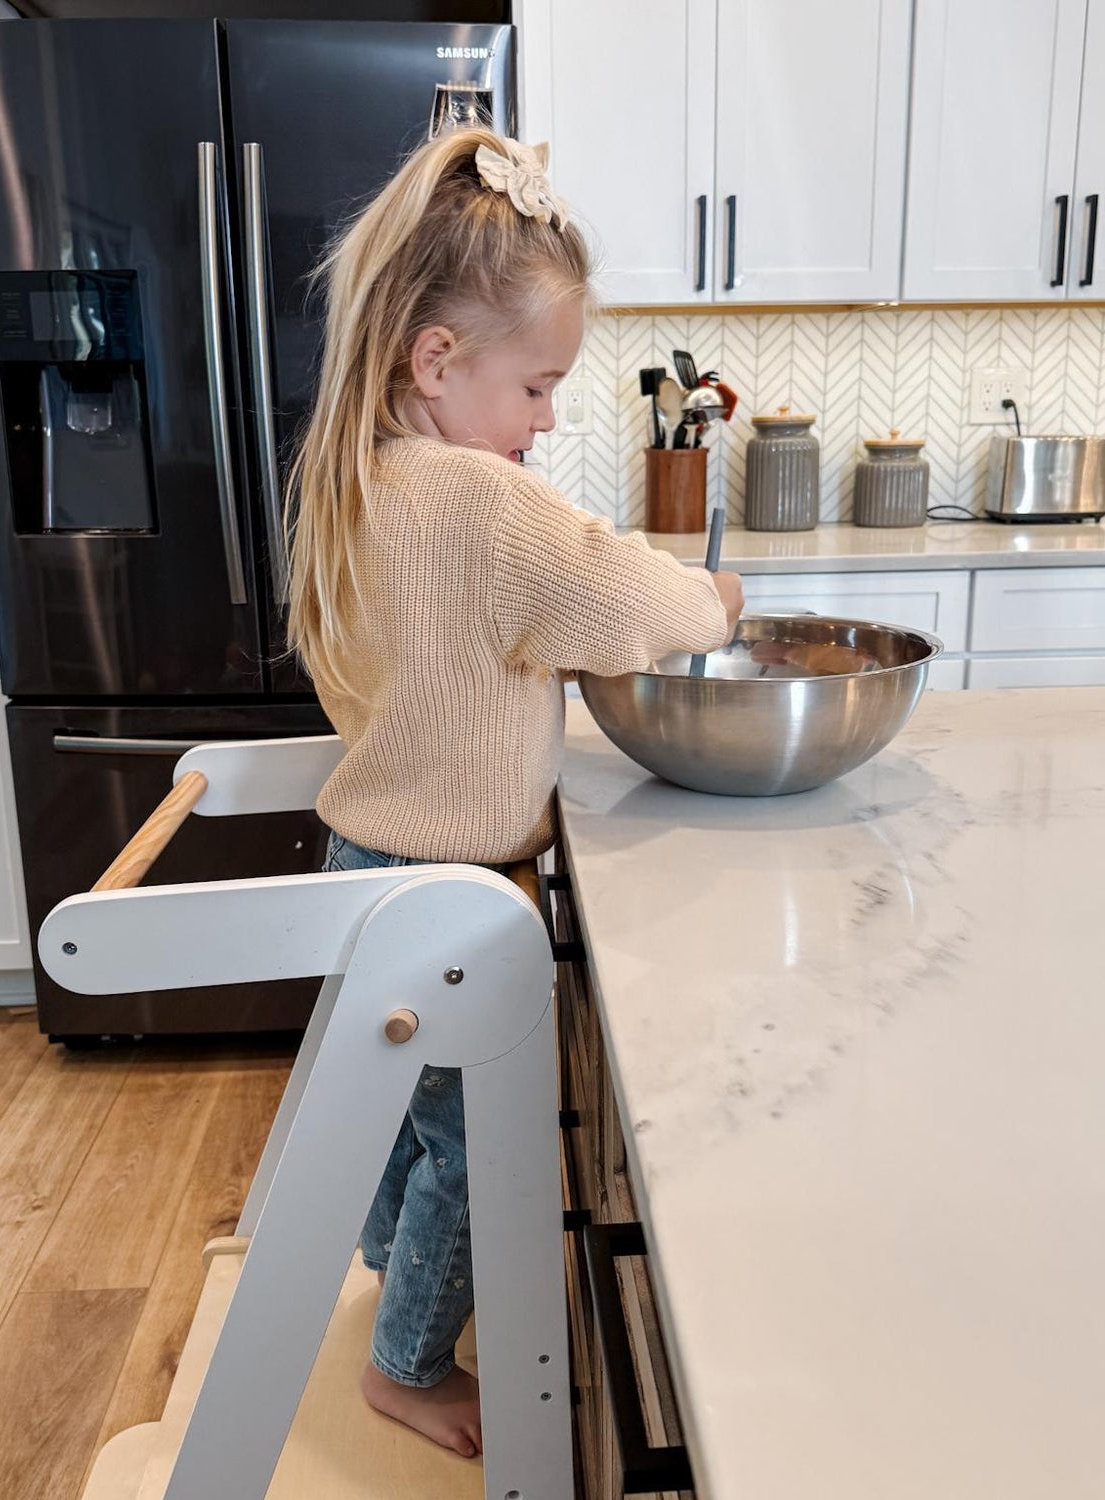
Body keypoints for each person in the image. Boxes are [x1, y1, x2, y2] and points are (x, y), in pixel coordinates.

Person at [283, 128, 743, 1459]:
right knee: (481, 1152)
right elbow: (624, 594)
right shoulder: (480, 500)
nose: (547, 419)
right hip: (450, 893)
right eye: (540, 386)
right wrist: (713, 597)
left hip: (365, 861)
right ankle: (407, 1366)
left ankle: (398, 1284)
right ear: (438, 362)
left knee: (396, 1123)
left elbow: (464, 644)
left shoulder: (364, 478)